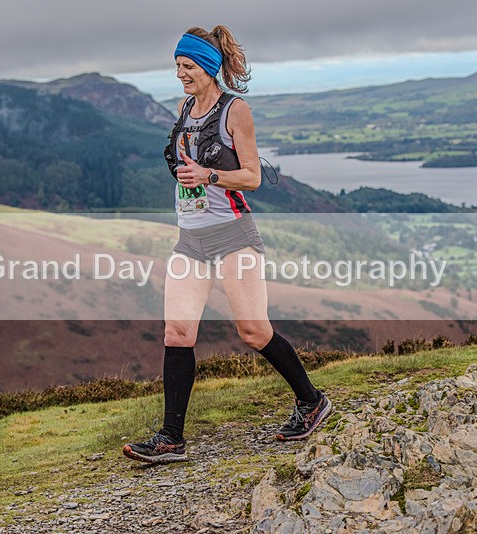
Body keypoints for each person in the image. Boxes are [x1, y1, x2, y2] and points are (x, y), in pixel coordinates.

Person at [122, 25, 331, 464]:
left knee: (253, 331)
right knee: (177, 333)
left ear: (209, 66)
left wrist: (209, 176)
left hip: (234, 235)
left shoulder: (236, 111)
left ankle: (312, 401)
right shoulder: (183, 108)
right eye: (177, 65)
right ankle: (171, 439)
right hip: (191, 238)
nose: (181, 73)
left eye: (189, 66)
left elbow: (252, 177)